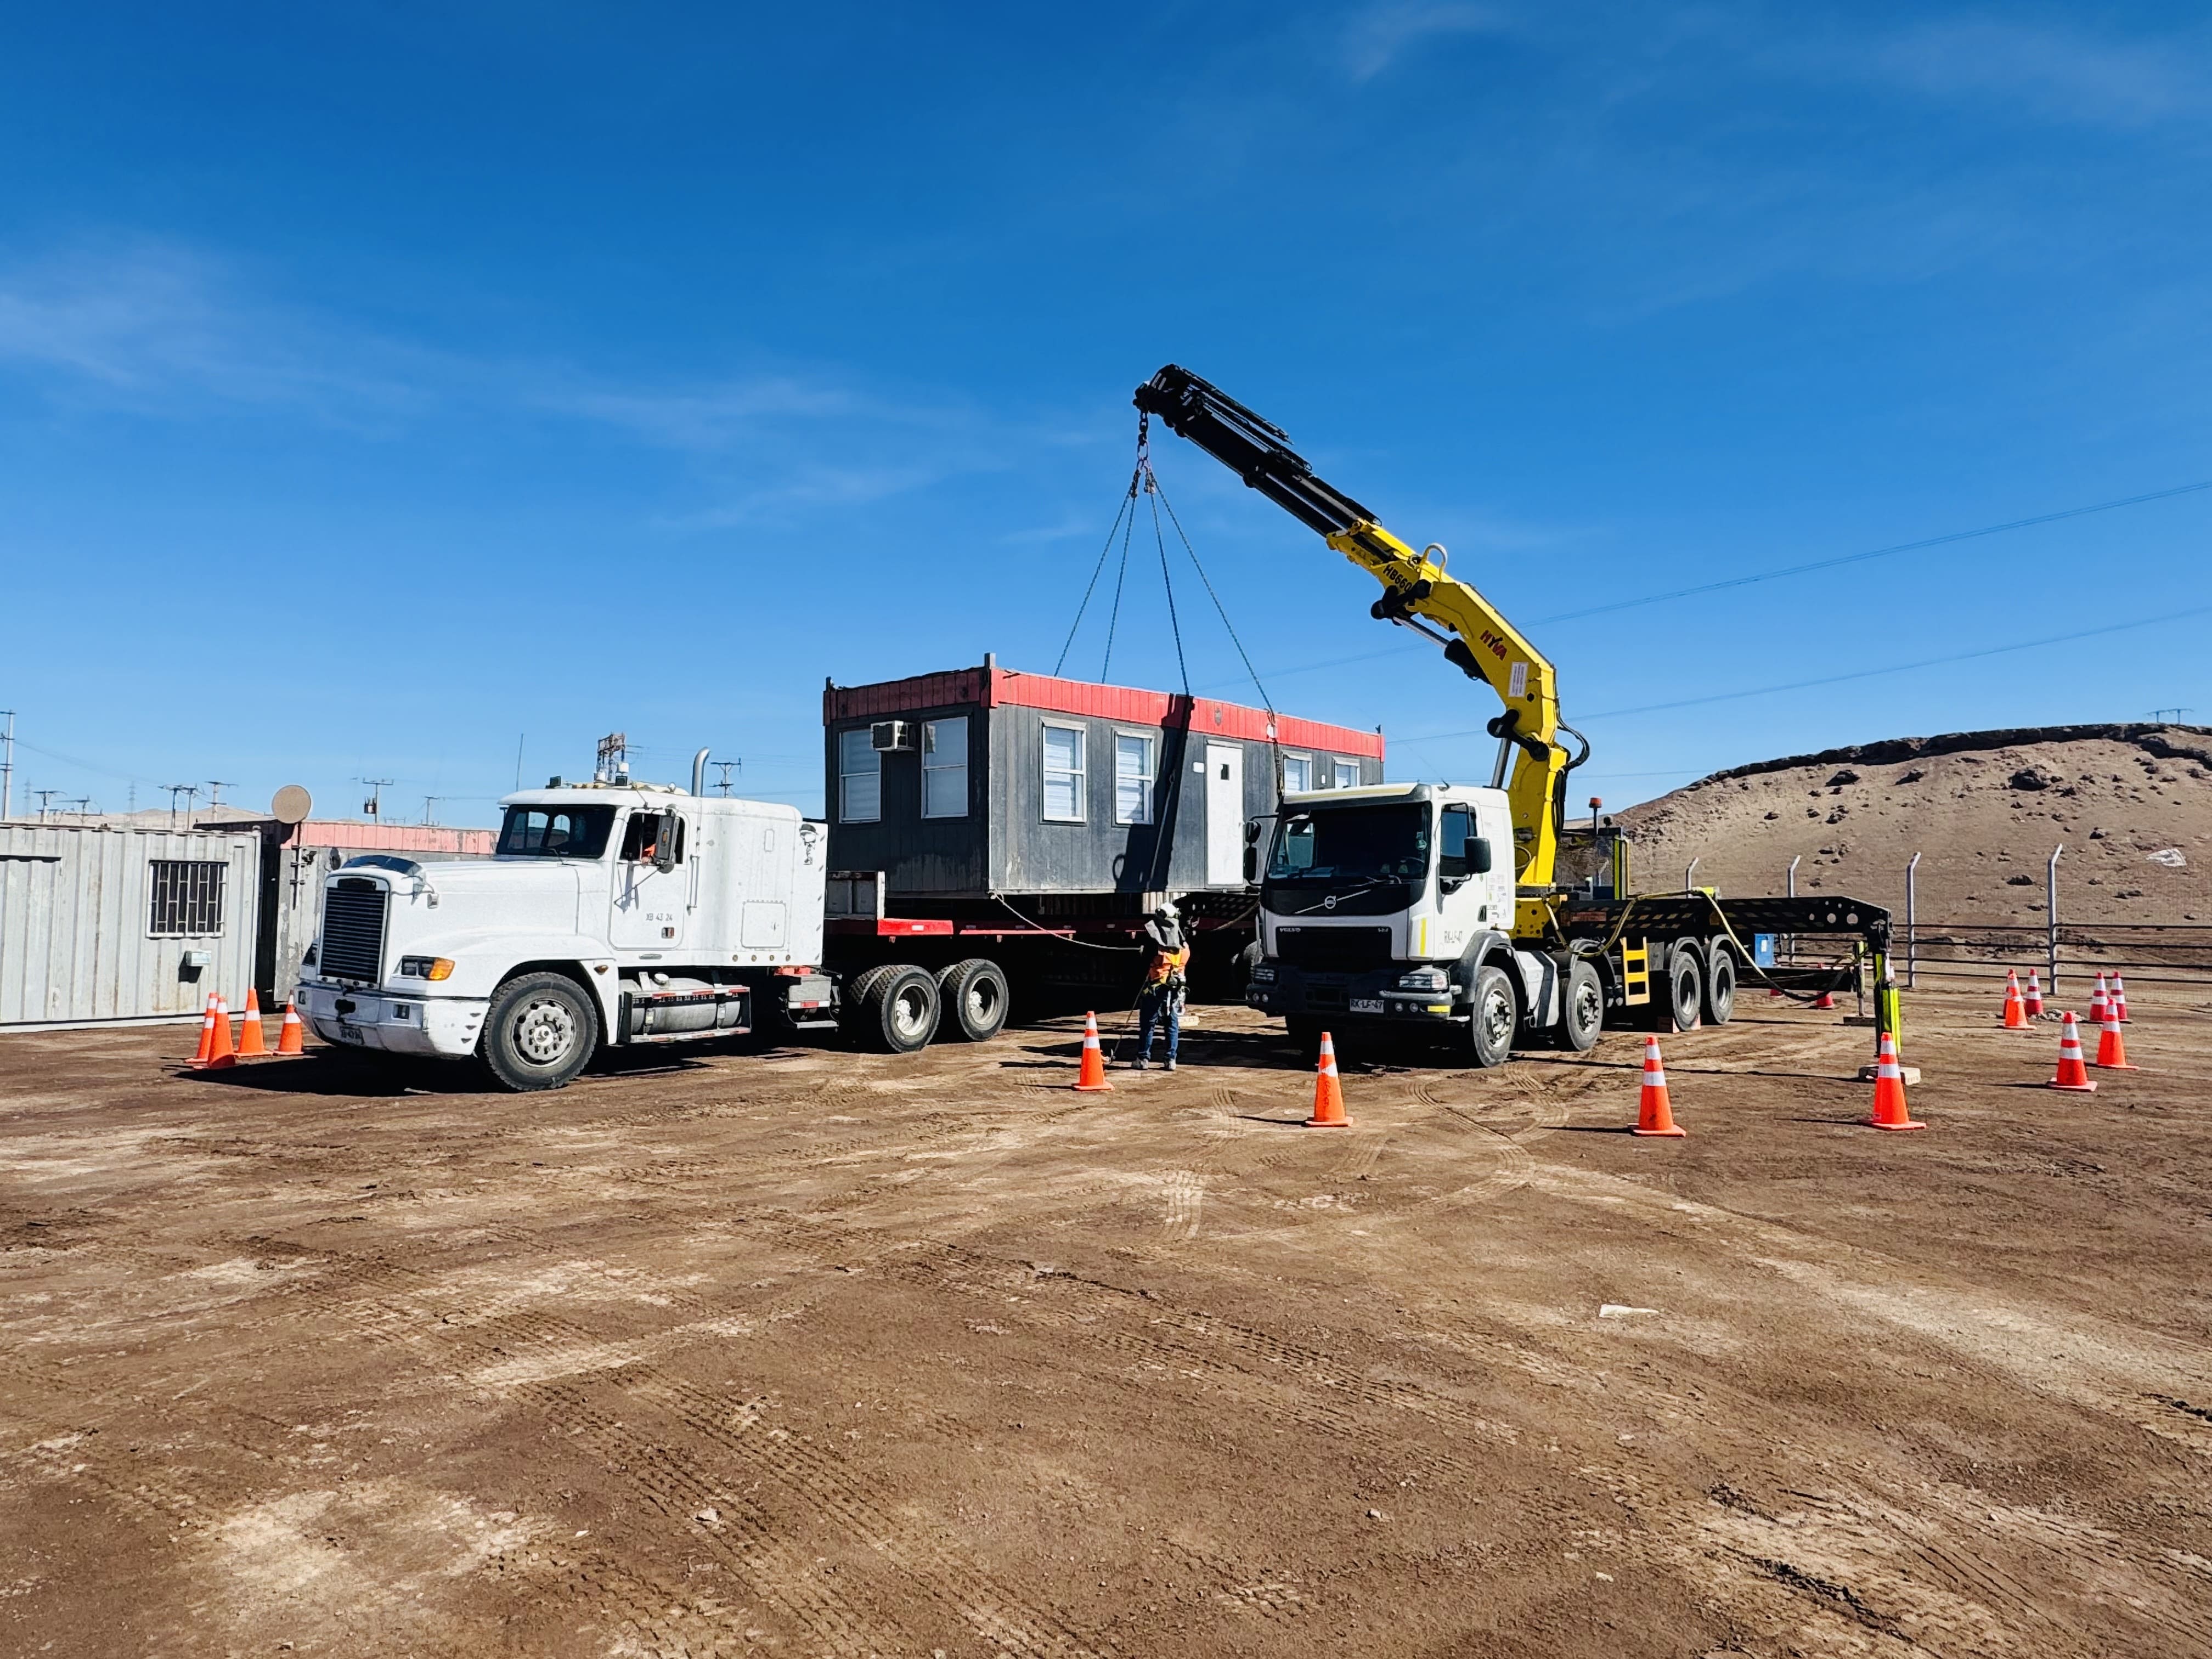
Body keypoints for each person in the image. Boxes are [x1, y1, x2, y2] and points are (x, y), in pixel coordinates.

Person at [1134, 902, 1188, 1071]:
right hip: (1175, 988)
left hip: (1157, 987)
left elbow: (1145, 960)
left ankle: (1143, 1059)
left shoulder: (1155, 943)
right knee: (1171, 1023)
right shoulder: (1183, 944)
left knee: (1148, 1023)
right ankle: (1171, 1060)